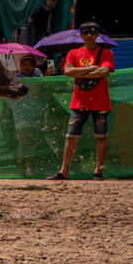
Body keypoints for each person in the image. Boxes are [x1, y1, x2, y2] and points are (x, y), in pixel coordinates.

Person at [53, 23, 115, 181]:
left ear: (97, 34)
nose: (89, 35)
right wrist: (93, 69)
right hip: (79, 102)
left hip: (100, 102)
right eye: (86, 32)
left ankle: (99, 171)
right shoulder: (73, 53)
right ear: (81, 35)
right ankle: (64, 171)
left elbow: (105, 71)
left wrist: (79, 72)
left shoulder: (106, 53)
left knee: (101, 136)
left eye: (92, 32)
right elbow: (67, 71)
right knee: (71, 137)